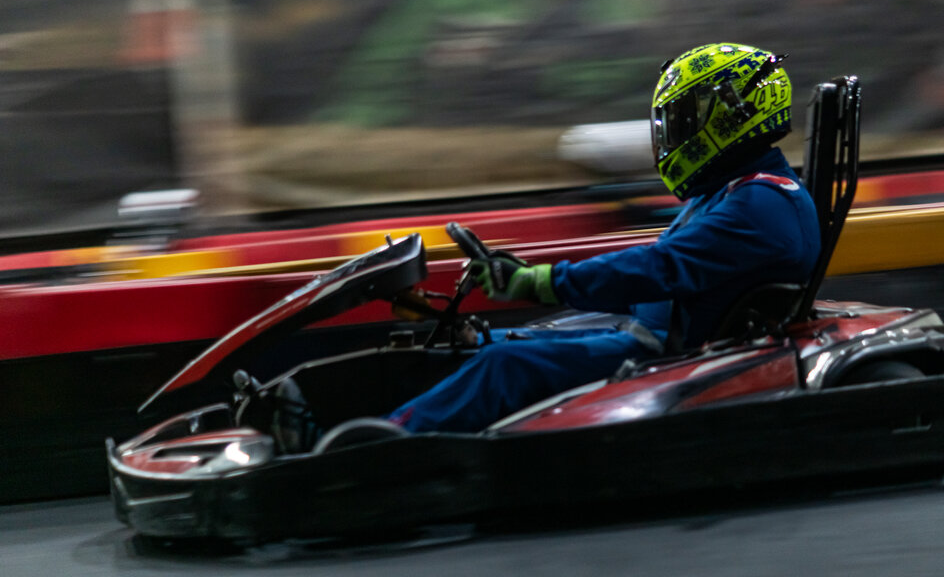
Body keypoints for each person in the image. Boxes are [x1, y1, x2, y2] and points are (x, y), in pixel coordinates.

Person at [277, 43, 821, 449]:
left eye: (682, 120)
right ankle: (344, 419)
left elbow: (656, 268)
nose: (672, 135)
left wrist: (541, 280)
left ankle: (372, 448)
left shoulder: (760, 204)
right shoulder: (732, 191)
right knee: (484, 343)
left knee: (506, 364)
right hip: (651, 329)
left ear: (730, 115)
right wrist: (522, 294)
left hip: (669, 352)